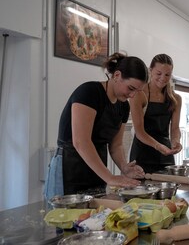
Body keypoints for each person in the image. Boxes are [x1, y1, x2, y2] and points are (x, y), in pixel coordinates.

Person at [44, 53, 148, 199]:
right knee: (64, 219)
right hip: (69, 166)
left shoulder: (123, 107)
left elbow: (116, 145)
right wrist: (110, 178)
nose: (132, 95)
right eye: (131, 88)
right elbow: (81, 142)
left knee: (91, 219)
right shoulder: (89, 92)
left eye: (137, 91)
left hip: (96, 169)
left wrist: (124, 167)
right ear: (117, 75)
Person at [129, 53, 182, 174]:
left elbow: (175, 128)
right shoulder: (138, 94)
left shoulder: (176, 98)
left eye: (167, 74)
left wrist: (175, 141)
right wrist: (159, 147)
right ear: (150, 70)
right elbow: (139, 132)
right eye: (159, 73)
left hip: (165, 155)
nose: (163, 78)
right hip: (141, 154)